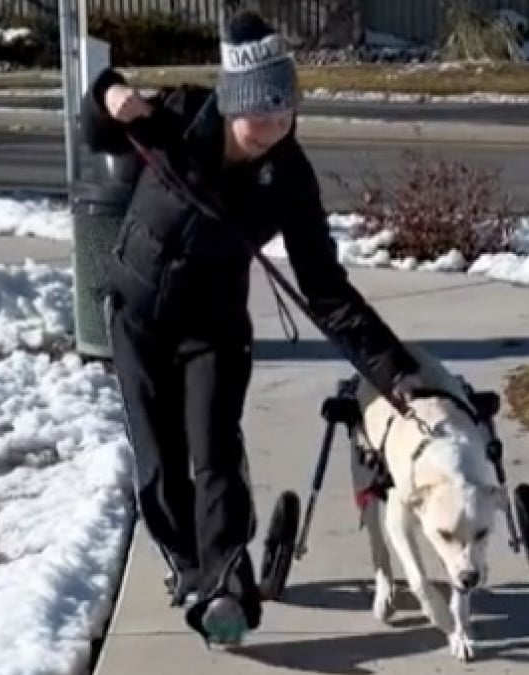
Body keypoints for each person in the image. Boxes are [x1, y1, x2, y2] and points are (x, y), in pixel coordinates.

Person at [79, 9, 421, 647]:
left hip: (214, 327)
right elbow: (98, 129)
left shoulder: (290, 176)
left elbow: (326, 289)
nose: (275, 122)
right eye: (261, 108)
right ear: (233, 101)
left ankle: (228, 586)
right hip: (138, 321)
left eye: (285, 107)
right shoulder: (178, 117)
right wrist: (108, 92)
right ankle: (189, 571)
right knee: (158, 463)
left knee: (214, 456)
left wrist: (396, 370)